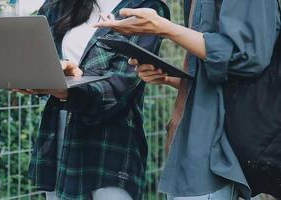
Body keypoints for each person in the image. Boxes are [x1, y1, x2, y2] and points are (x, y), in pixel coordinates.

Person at [95, 0, 280, 200]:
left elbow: (247, 55)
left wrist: (165, 28)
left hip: (217, 150)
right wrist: (171, 77)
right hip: (191, 142)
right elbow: (214, 64)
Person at [14, 0, 169, 199]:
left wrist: (66, 90)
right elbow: (41, 59)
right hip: (57, 133)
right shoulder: (60, 5)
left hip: (111, 143)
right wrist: (25, 76)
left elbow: (121, 83)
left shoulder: (146, 8)